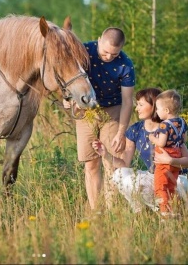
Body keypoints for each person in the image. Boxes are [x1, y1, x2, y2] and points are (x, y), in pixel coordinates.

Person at [63, 27, 135, 210]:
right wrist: (68, 98)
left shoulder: (125, 64)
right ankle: (96, 211)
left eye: (114, 54)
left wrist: (121, 132)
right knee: (91, 164)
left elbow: (128, 102)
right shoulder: (83, 52)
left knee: (111, 162)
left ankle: (112, 210)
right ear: (99, 40)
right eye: (105, 52)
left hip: (113, 111)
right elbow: (64, 74)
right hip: (87, 113)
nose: (109, 57)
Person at [92, 88, 188, 213]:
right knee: (119, 175)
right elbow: (124, 164)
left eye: (141, 105)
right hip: (154, 176)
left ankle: (169, 209)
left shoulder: (169, 127)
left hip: (178, 177)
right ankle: (142, 211)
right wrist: (105, 154)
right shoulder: (135, 130)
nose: (137, 108)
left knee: (179, 185)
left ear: (154, 106)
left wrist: (170, 160)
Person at [149, 90, 188, 216]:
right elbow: (184, 139)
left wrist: (152, 138)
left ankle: (165, 212)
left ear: (166, 110)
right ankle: (173, 209)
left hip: (164, 158)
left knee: (161, 186)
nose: (156, 112)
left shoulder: (164, 125)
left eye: (158, 109)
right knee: (171, 185)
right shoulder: (182, 122)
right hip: (177, 156)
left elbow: (161, 142)